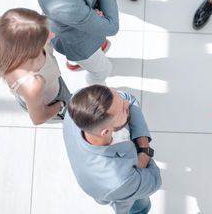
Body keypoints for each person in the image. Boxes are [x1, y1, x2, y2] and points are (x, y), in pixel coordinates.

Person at [63, 85, 161, 214]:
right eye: (123, 109)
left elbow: (128, 98)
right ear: (106, 131)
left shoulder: (79, 104)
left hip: (106, 185)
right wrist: (144, 154)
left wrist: (143, 146)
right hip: (117, 192)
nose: (127, 103)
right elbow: (154, 180)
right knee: (139, 208)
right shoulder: (119, 181)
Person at [0, 8, 71, 125]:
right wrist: (62, 104)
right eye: (44, 37)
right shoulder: (32, 84)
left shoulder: (6, 30)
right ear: (29, 50)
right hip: (51, 101)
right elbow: (38, 118)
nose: (52, 35)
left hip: (51, 83)